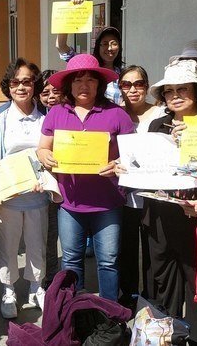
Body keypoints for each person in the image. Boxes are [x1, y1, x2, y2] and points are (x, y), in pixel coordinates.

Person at [36, 54, 136, 301]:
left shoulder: (117, 114)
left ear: (99, 84)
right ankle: (72, 311)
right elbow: (42, 147)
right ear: (69, 85)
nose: (84, 85)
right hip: (70, 203)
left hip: (108, 202)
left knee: (108, 261)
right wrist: (44, 155)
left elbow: (133, 155)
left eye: (90, 80)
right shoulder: (56, 113)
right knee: (70, 260)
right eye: (78, 80)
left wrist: (118, 163)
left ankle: (110, 313)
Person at [143, 59, 197, 345]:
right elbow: (148, 165)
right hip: (160, 213)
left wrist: (195, 140)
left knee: (196, 280)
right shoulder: (156, 125)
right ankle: (166, 336)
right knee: (163, 277)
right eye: (169, 90)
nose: (175, 95)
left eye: (182, 89)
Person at [0, 58, 49, 319]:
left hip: (37, 194)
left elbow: (52, 154)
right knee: (8, 247)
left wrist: (47, 181)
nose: (21, 87)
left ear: (35, 85)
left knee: (37, 245)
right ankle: (8, 290)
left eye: (27, 82)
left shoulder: (46, 117)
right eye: (15, 82)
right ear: (8, 86)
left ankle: (36, 288)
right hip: (8, 196)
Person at [116, 65, 161, 307]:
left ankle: (151, 297)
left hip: (155, 194)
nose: (132, 89)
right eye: (126, 84)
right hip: (124, 195)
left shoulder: (161, 113)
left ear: (147, 86)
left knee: (153, 249)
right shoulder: (115, 114)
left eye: (138, 84)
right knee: (127, 248)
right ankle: (129, 294)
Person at [55, 0, 123, 105]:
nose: (109, 48)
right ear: (97, 46)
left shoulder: (123, 73)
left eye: (114, 43)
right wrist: (70, 12)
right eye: (105, 44)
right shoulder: (87, 67)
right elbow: (61, 46)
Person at [38, 69, 62, 289]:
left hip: (69, 184)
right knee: (48, 235)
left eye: (56, 91)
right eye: (45, 93)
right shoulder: (37, 118)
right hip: (44, 186)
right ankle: (50, 278)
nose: (51, 97)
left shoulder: (70, 114)